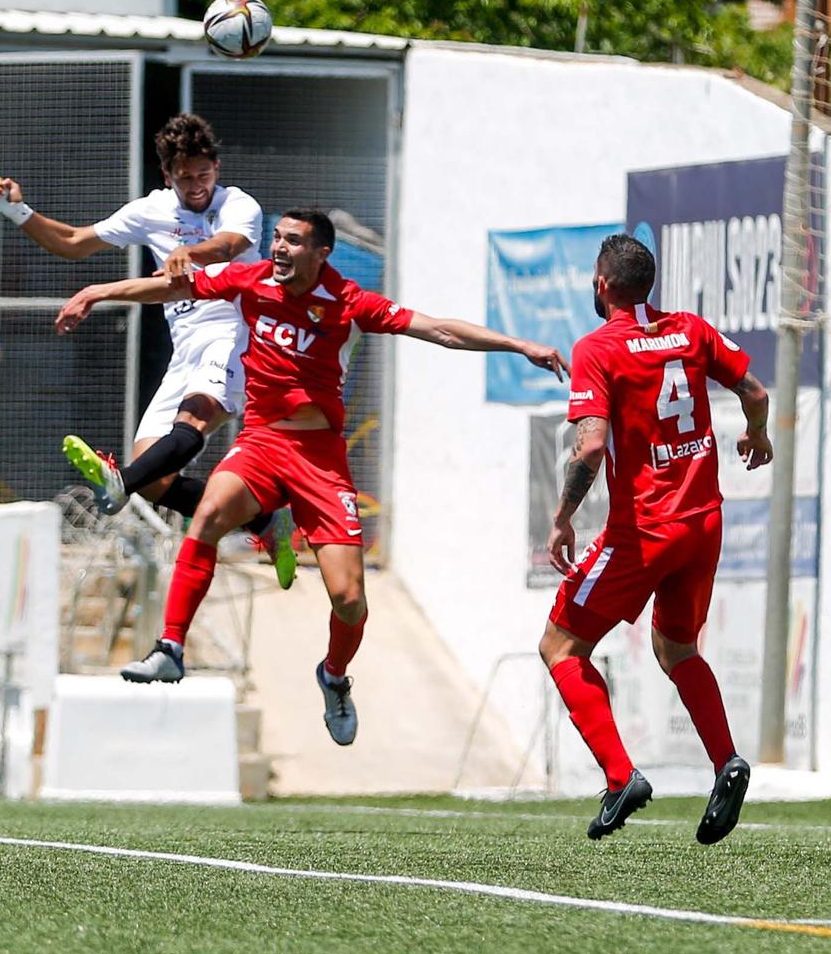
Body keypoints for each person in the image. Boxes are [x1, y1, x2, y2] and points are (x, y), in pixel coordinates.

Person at [56, 208, 567, 746]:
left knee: (349, 598)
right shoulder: (249, 280)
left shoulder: (349, 301)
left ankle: (334, 676)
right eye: (276, 237)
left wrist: (519, 345)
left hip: (320, 460)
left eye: (292, 241)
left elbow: (437, 328)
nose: (277, 248)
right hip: (260, 444)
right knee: (206, 514)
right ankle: (170, 648)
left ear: (321, 253)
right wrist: (98, 290)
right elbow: (170, 285)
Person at [538, 234, 773, 844]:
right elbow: (756, 392)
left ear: (601, 285)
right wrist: (758, 436)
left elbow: (590, 445)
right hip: (704, 522)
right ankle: (727, 761)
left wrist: (563, 515)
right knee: (677, 650)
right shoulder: (690, 330)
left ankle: (621, 777)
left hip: (645, 530)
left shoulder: (597, 347)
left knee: (560, 646)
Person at [0, 114, 281, 561]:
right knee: (158, 477)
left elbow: (225, 248)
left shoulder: (239, 204)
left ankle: (119, 482)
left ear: (216, 168)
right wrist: (17, 211)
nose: (197, 185)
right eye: (185, 178)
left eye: (204, 174)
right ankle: (261, 518)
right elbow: (72, 241)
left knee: (192, 422)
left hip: (236, 332)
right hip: (186, 346)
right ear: (168, 175)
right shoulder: (153, 210)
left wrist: (188, 251)